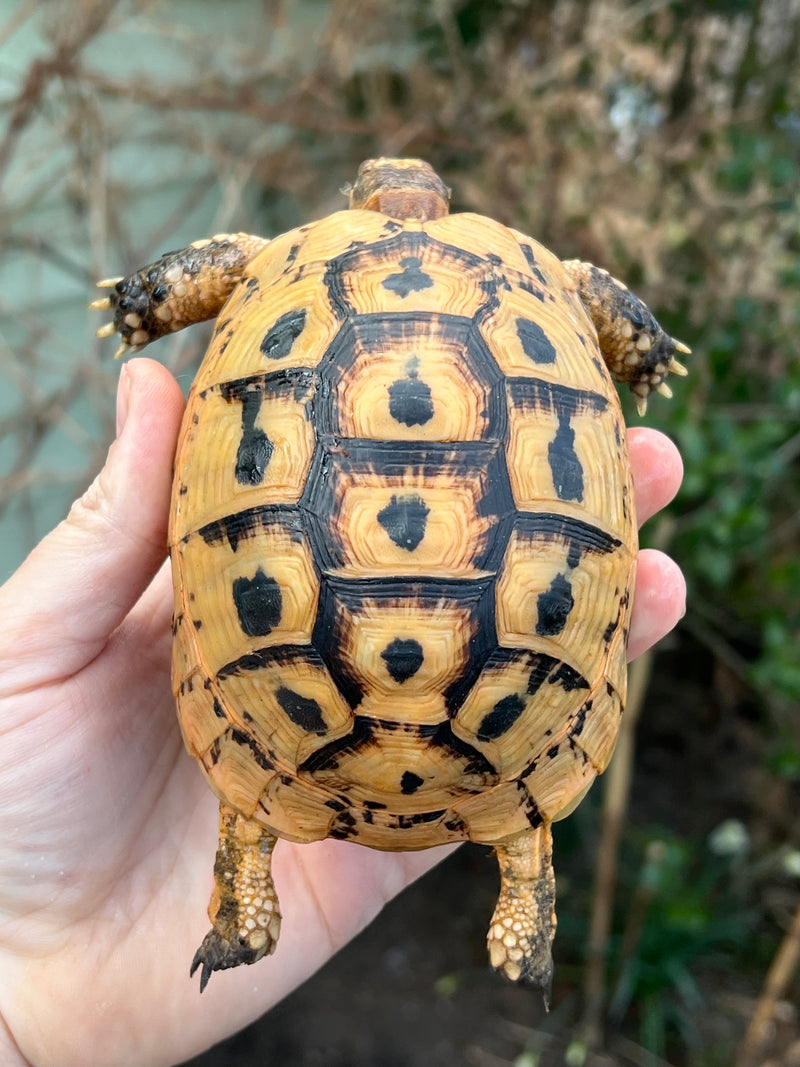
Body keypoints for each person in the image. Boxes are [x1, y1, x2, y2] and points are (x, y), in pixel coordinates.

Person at [0, 358, 685, 1067]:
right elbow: (611, 323)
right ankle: (522, 865)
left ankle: (244, 881)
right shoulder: (551, 288)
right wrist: (643, 352)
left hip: (293, 715)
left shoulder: (276, 265)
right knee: (522, 673)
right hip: (501, 732)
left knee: (260, 757)